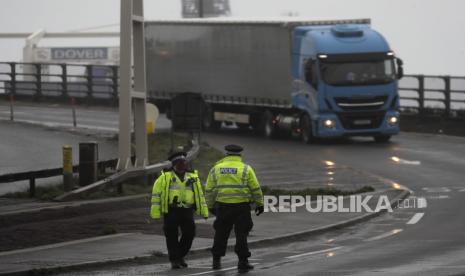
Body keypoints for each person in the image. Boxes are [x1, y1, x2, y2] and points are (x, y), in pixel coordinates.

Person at [205, 144, 264, 273]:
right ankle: (243, 262)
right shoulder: (245, 169)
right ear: (239, 156)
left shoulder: (216, 169)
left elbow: (209, 189)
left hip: (223, 206)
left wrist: (210, 205)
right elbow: (255, 188)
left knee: (221, 233)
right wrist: (260, 204)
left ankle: (216, 261)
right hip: (241, 207)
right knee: (241, 234)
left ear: (226, 155)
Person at [150, 151, 209, 269]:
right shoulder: (165, 177)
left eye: (184, 162)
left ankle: (179, 255)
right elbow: (156, 195)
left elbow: (199, 195)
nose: (183, 165)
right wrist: (156, 213)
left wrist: (204, 211)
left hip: (187, 210)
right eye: (180, 163)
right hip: (171, 211)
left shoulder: (192, 176)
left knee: (190, 234)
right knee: (171, 236)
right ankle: (174, 260)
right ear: (174, 165)